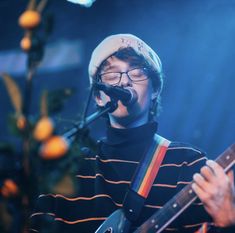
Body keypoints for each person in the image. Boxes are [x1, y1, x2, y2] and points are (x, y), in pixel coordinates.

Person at [29, 34, 235, 233]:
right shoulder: (70, 168)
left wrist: (227, 223)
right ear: (99, 96)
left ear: (155, 90)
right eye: (111, 74)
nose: (123, 82)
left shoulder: (187, 163)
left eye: (136, 72)